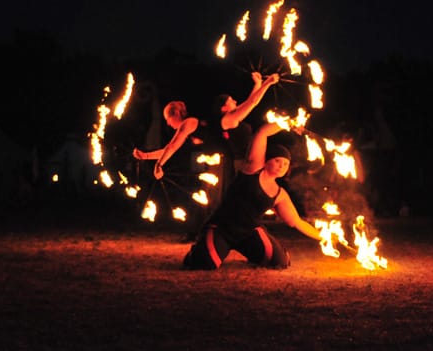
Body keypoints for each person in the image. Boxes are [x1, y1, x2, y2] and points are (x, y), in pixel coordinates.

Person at [182, 122, 322, 270]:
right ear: (266, 161)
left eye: (286, 164)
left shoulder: (280, 194)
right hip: (221, 229)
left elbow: (296, 222)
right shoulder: (252, 168)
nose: (281, 166)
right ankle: (197, 252)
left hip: (249, 233)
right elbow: (261, 133)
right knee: (205, 264)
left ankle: (252, 252)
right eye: (277, 161)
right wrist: (287, 122)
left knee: (280, 262)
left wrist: (324, 237)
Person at [133, 101, 222, 240]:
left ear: (176, 113)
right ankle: (198, 233)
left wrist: (159, 165)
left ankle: (210, 234)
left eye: (168, 119)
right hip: (203, 167)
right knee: (199, 198)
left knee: (212, 200)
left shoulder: (189, 122)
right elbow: (169, 150)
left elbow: (172, 146)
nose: (168, 124)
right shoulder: (186, 130)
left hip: (216, 165)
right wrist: (146, 156)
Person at [210, 71, 280, 177]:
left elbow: (250, 101)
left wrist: (258, 83)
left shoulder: (232, 118)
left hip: (249, 162)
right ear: (223, 108)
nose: (235, 101)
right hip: (245, 164)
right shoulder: (227, 120)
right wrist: (268, 82)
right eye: (231, 101)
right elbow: (252, 102)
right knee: (263, 132)